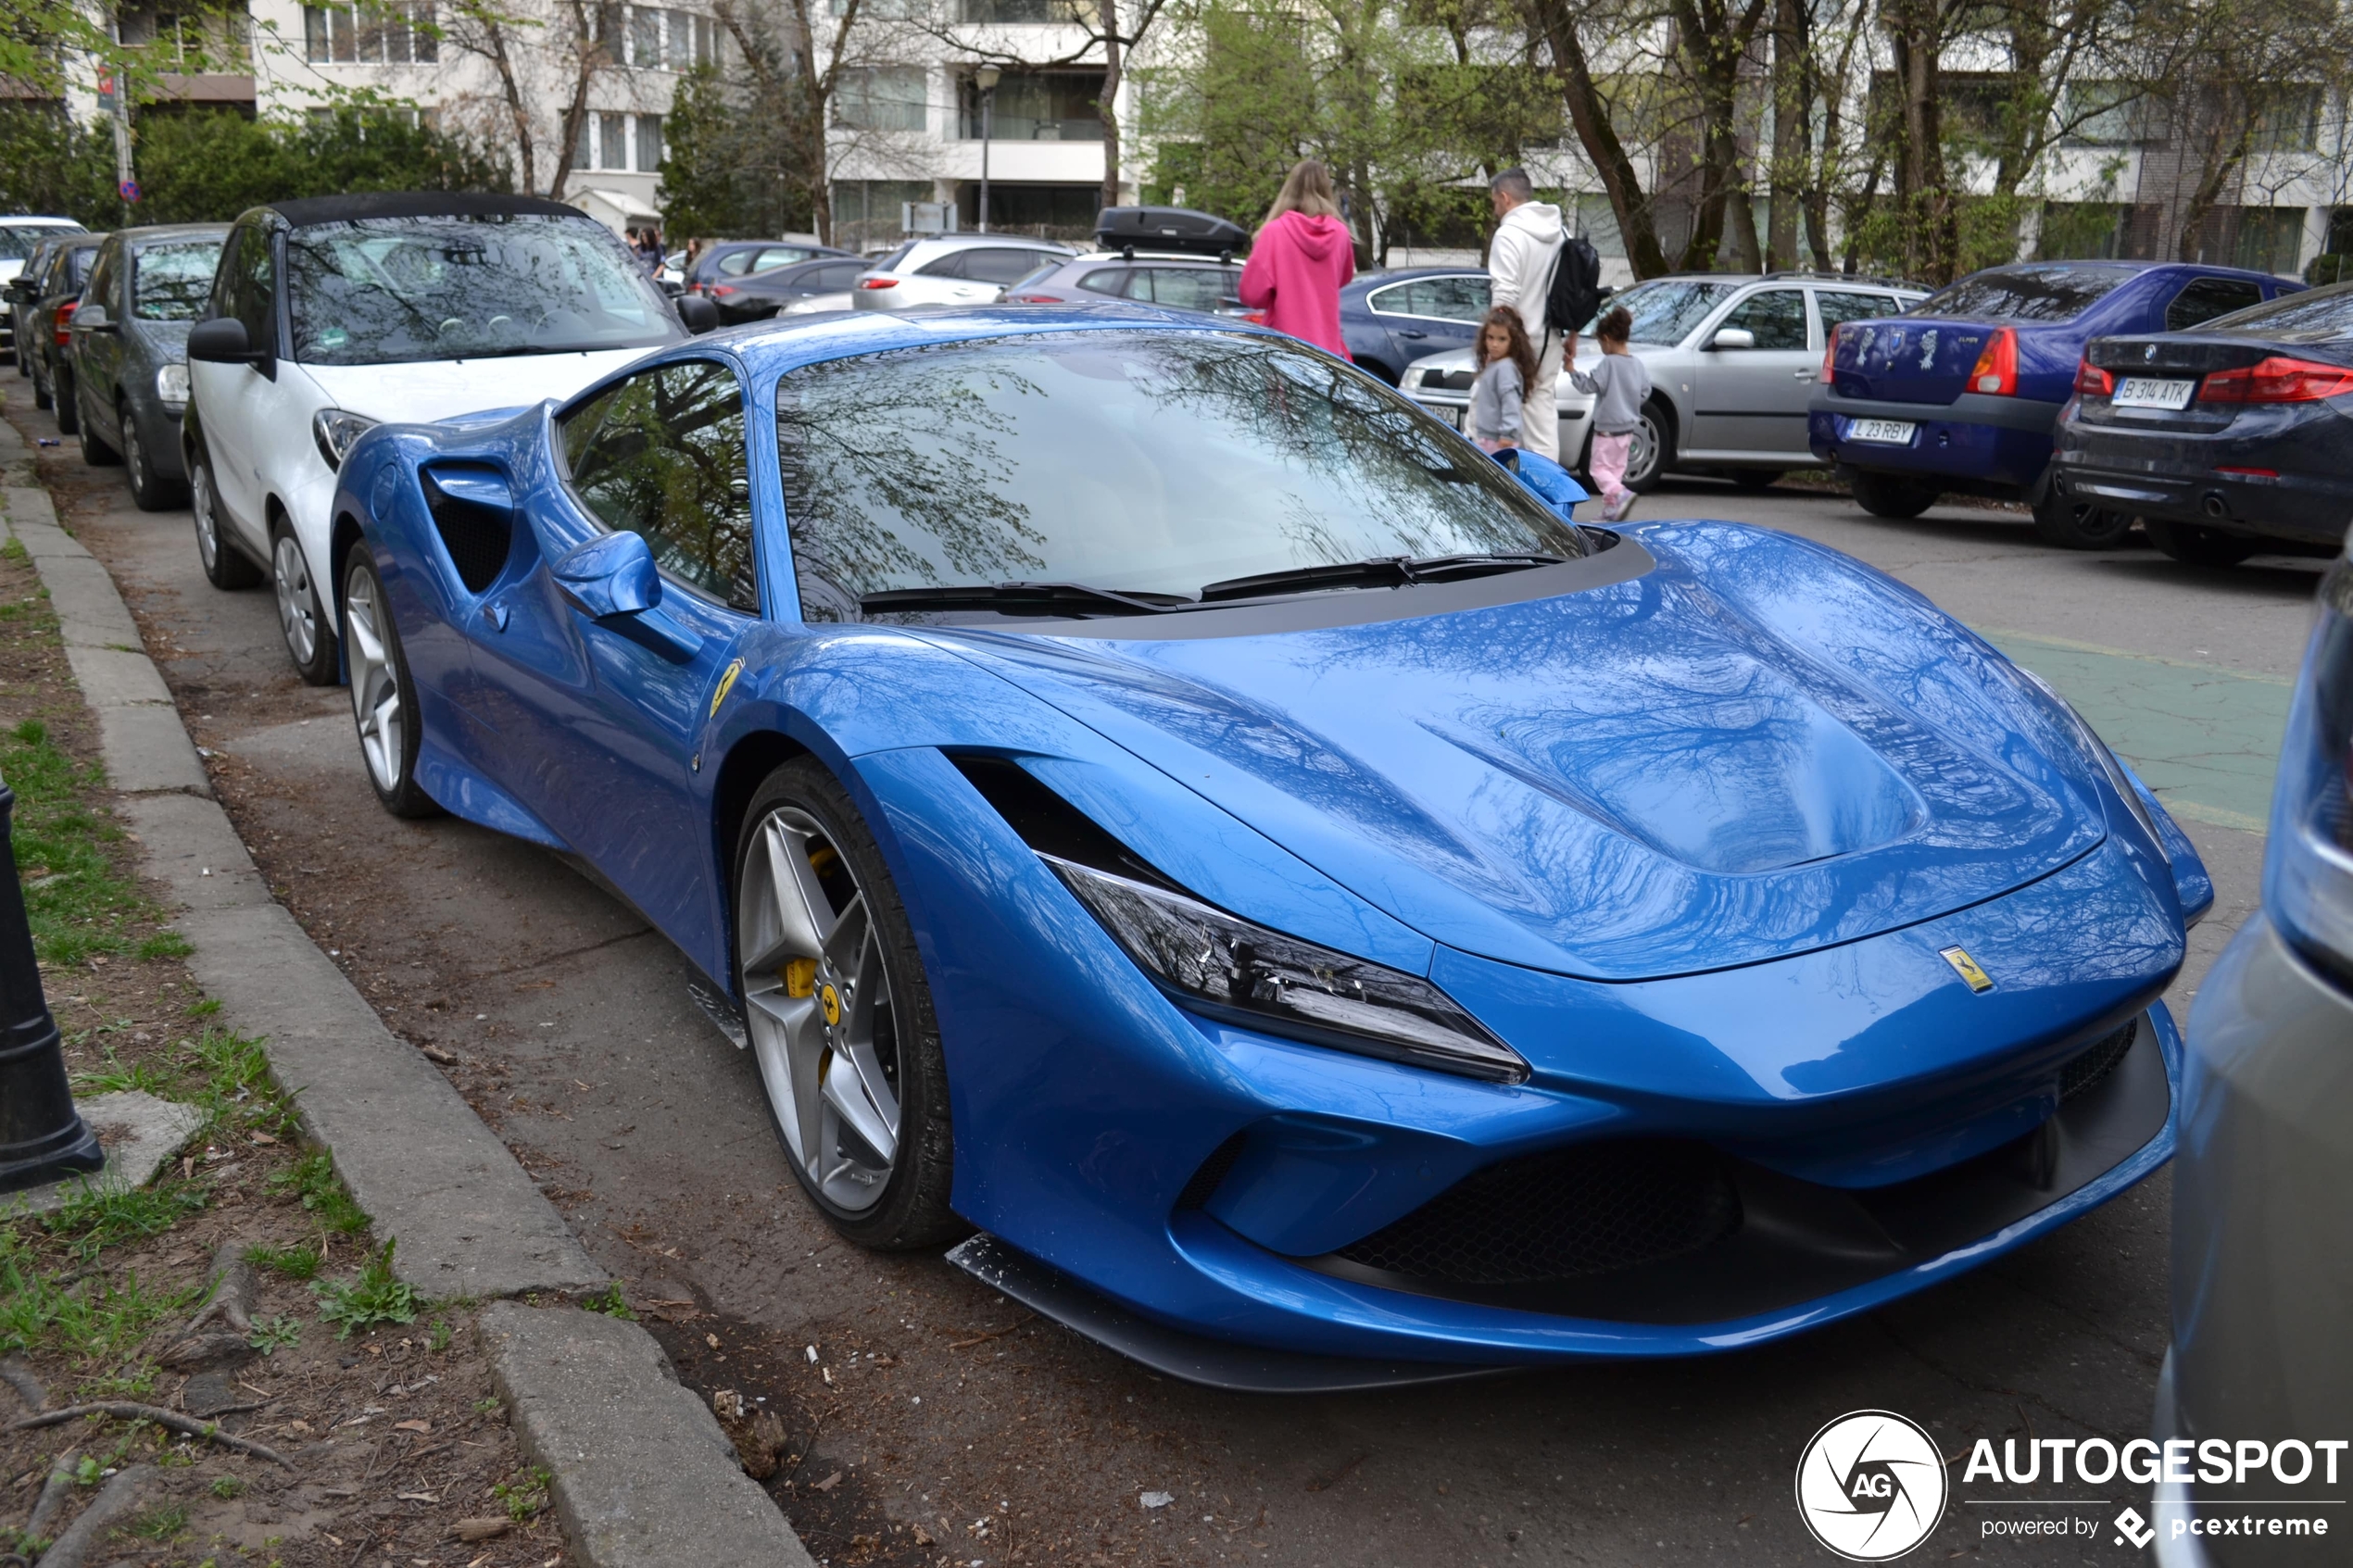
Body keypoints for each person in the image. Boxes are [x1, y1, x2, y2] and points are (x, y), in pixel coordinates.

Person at [1486, 169, 1567, 462]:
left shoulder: (1508, 235)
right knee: (1542, 421)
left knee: (1495, 419)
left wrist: (1492, 344)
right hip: (1550, 342)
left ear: (1505, 198)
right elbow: (1570, 290)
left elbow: (1504, 296)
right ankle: (1550, 499)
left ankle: (1501, 496)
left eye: (1495, 203)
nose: (1495, 211)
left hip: (1515, 344)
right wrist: (1572, 337)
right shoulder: (1561, 233)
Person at [1237, 159, 1354, 360]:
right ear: (1327, 189)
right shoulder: (1341, 234)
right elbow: (1343, 278)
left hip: (1283, 349)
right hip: (1328, 352)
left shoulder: (1274, 232)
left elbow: (1251, 295)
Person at [1570, 305, 1651, 522]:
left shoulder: (1608, 363)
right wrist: (1629, 403)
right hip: (1627, 430)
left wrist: (1571, 371)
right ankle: (1611, 509)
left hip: (1606, 429)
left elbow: (1589, 386)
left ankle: (1620, 494)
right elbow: (1645, 392)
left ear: (1606, 339)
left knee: (1598, 470)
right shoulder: (1637, 364)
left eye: (1600, 343)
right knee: (1615, 472)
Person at [1467, 307, 1536, 455]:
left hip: (1499, 441)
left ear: (1514, 342)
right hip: (1488, 438)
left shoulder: (1505, 368)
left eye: (1502, 339)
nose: (1494, 344)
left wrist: (1508, 433)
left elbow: (1510, 401)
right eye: (1490, 337)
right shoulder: (1494, 364)